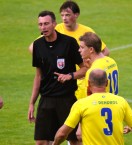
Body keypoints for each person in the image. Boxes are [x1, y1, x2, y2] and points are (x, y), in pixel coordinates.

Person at [28, 0, 110, 100]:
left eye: (67, 15)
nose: (64, 18)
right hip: (64, 81)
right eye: (62, 15)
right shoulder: (56, 29)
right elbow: (33, 47)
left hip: (83, 78)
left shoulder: (87, 31)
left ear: (76, 15)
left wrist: (91, 68)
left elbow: (105, 51)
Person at [27, 10, 87, 145]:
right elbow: (38, 76)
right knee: (41, 142)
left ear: (54, 24)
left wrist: (70, 76)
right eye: (40, 24)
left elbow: (84, 69)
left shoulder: (69, 43)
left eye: (46, 24)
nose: (43, 27)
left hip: (67, 100)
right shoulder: (38, 45)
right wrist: (32, 103)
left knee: (74, 140)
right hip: (46, 99)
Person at [52, 69, 132, 145]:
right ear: (106, 83)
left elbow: (62, 134)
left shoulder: (81, 104)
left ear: (89, 83)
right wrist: (130, 128)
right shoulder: (121, 101)